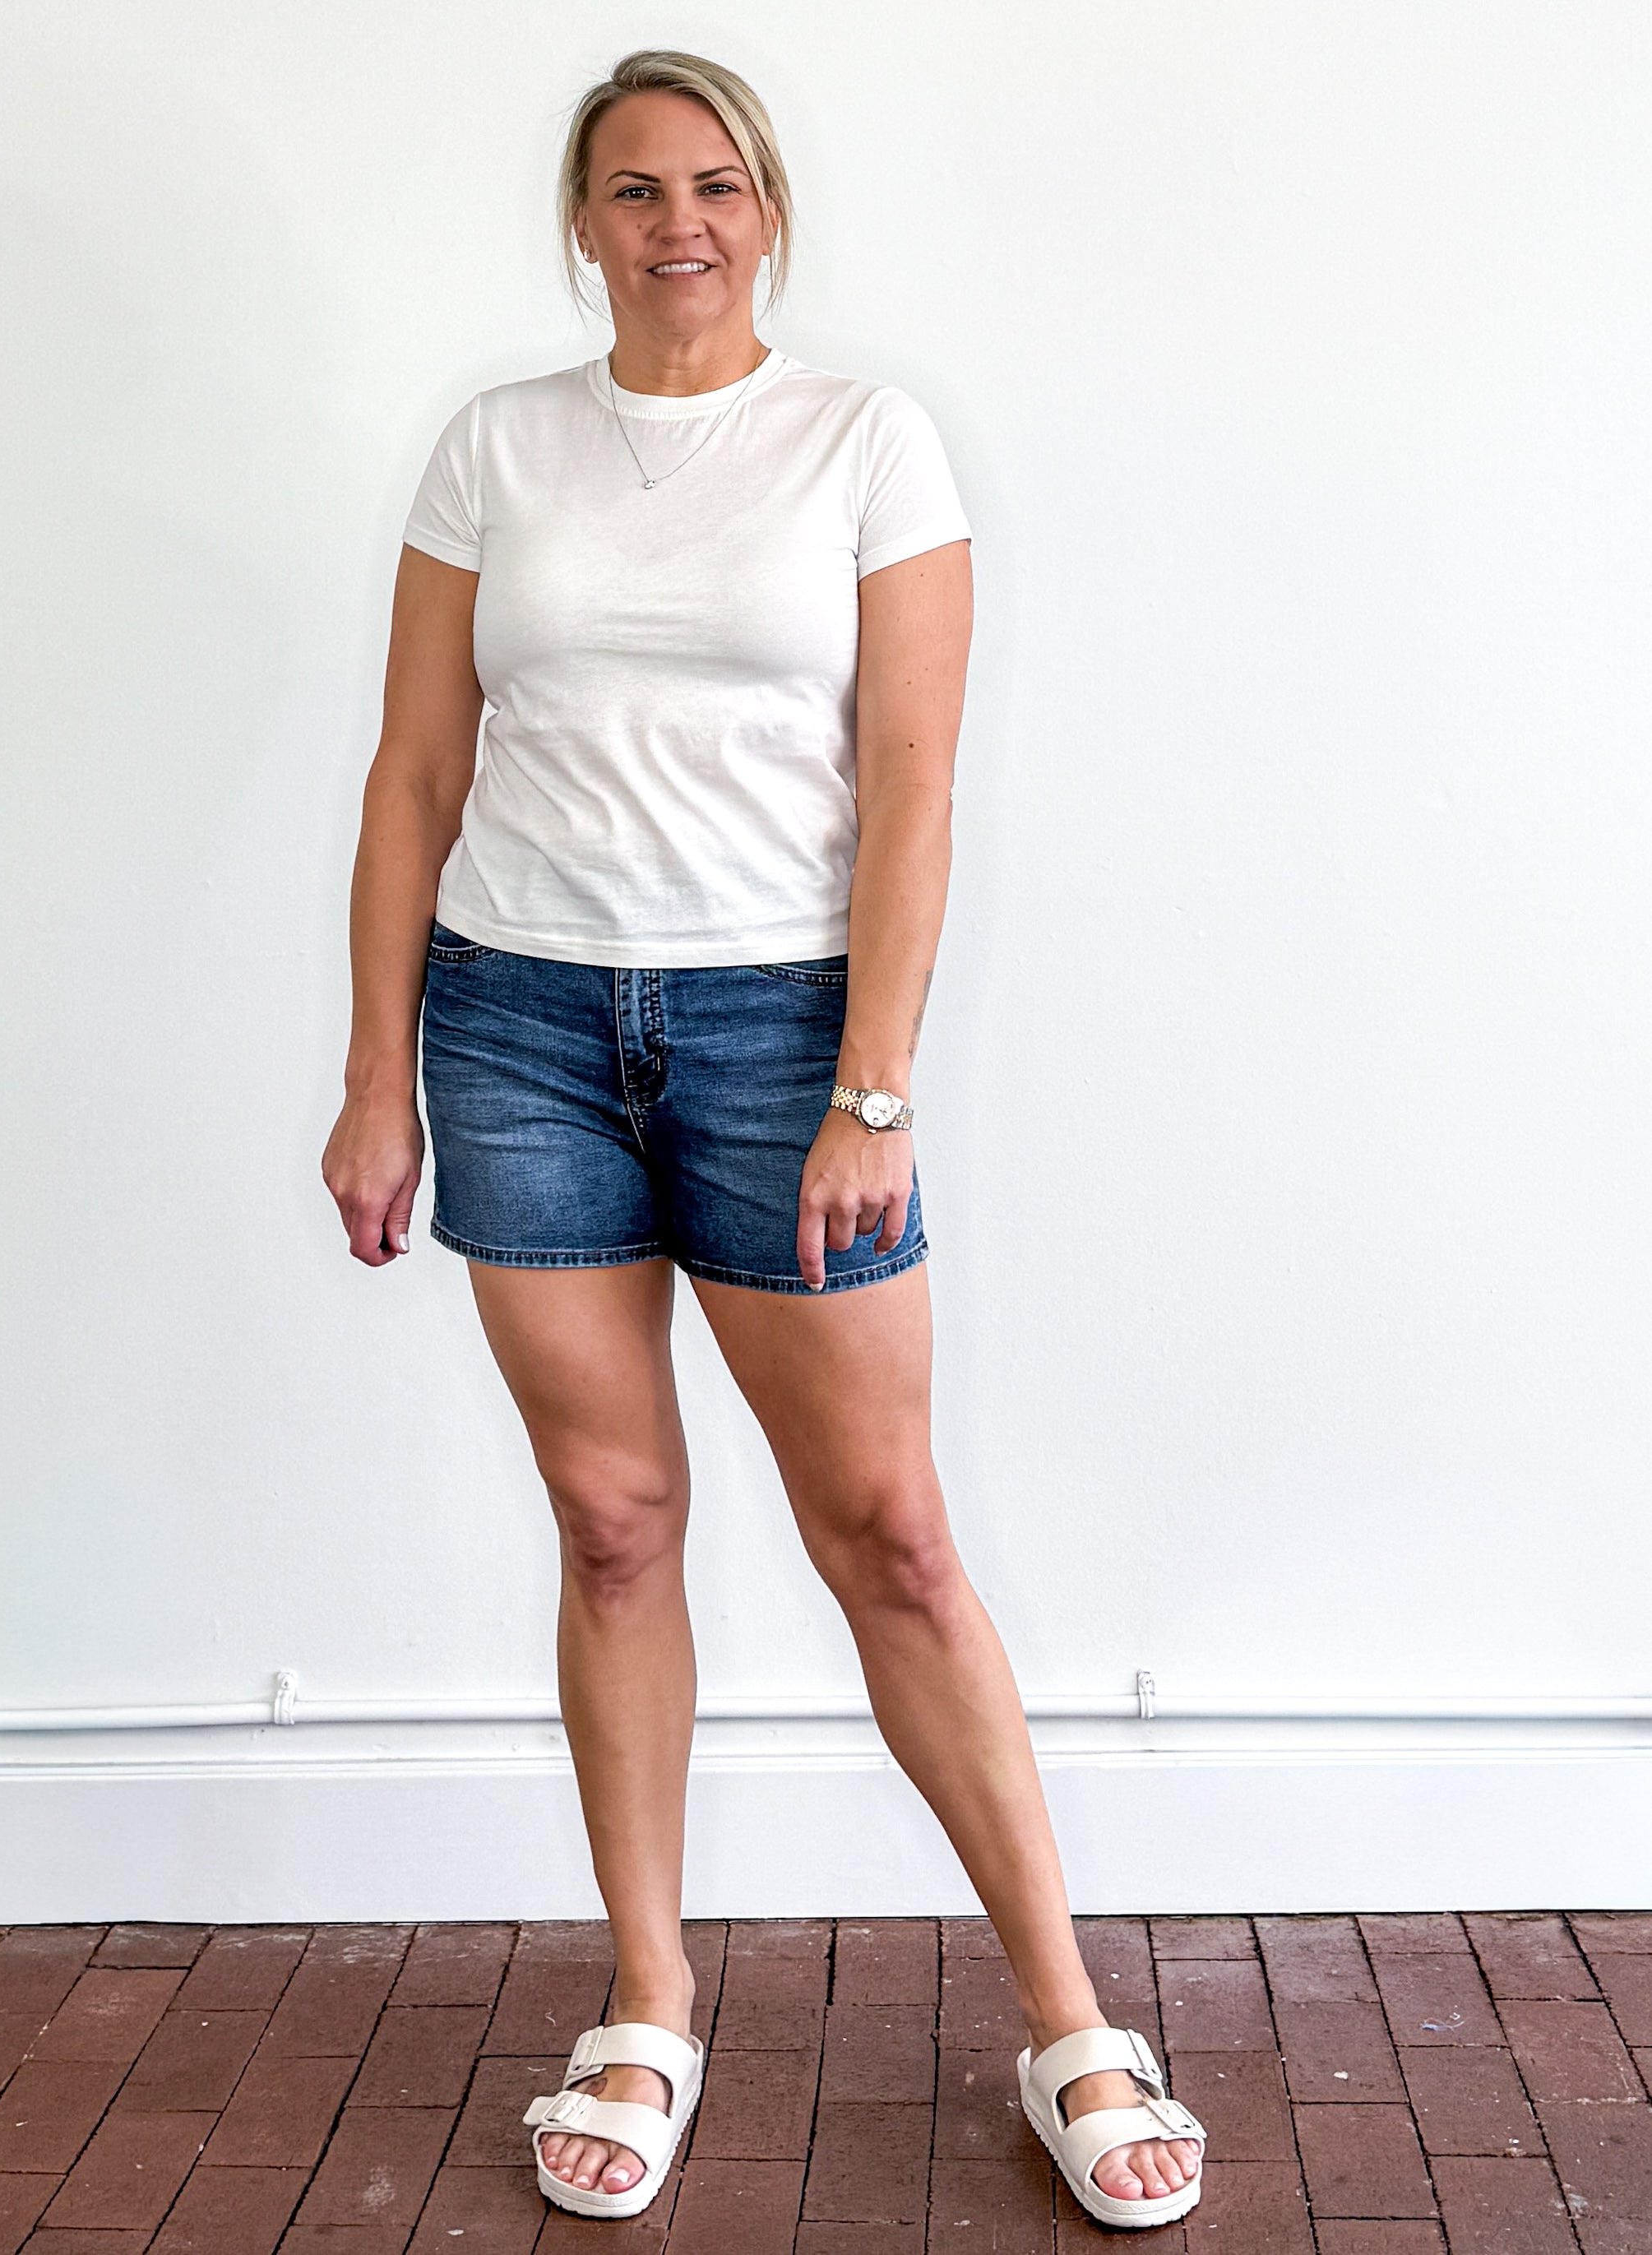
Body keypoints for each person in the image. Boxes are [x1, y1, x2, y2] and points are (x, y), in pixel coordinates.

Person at [322, 47, 1206, 2232]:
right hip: (517, 1028)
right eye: (633, 190)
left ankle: (1071, 2020)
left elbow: (911, 783)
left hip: (778, 1035)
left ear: (769, 208)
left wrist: (869, 1082)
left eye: (713, 184)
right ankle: (647, 1999)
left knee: (888, 1533)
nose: (677, 224)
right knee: (613, 1523)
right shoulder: (495, 445)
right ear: (582, 221)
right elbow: (414, 776)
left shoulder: (864, 441)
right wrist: (375, 1075)